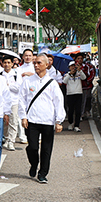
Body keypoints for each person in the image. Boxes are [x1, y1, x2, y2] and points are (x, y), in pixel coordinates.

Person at [19, 53, 66, 183]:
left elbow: (58, 102)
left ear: (47, 64)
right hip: (32, 120)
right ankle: (34, 164)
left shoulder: (52, 83)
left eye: (39, 63)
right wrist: (23, 117)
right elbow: (22, 99)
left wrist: (58, 121)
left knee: (46, 149)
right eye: (35, 63)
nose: (36, 65)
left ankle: (43, 173)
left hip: (48, 120)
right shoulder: (28, 81)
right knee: (32, 147)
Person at [1, 53, 19, 151]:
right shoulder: (0, 74)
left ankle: (11, 141)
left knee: (13, 121)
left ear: (12, 64)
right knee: (4, 122)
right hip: (2, 102)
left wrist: (7, 85)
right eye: (5, 62)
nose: (7, 64)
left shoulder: (16, 74)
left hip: (13, 101)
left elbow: (18, 88)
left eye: (9, 62)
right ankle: (6, 139)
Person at [63, 60, 84, 132]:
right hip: (70, 94)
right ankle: (71, 123)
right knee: (70, 110)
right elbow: (64, 81)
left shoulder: (79, 73)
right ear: (69, 67)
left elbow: (84, 78)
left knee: (78, 110)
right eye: (71, 66)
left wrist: (80, 70)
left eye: (74, 66)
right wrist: (70, 74)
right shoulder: (67, 75)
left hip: (78, 93)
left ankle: (77, 125)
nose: (73, 68)